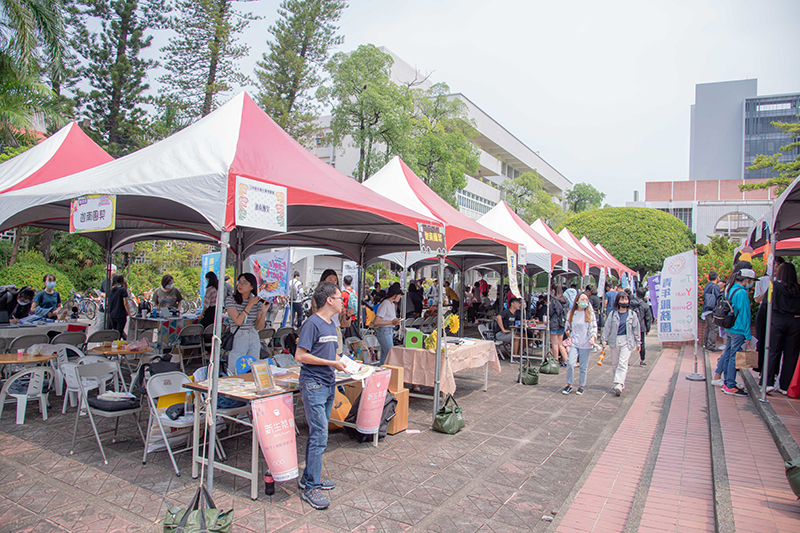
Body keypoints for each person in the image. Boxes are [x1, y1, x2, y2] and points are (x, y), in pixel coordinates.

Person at [294, 281, 348, 510]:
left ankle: (309, 477)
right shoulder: (312, 324)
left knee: (320, 432)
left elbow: (331, 353)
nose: (342, 302)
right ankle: (311, 487)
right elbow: (300, 355)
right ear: (329, 300)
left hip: (328, 384)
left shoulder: (330, 324)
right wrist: (331, 363)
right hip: (314, 385)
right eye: (339, 298)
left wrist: (345, 362)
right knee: (319, 435)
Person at [712, 268, 756, 396]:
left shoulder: (731, 289)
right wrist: (747, 334)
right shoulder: (741, 293)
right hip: (738, 329)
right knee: (733, 357)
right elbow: (745, 315)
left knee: (729, 354)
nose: (751, 283)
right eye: (751, 281)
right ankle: (730, 384)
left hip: (730, 328)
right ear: (747, 280)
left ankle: (727, 383)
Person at [766, 263, 800, 394]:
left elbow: (768, 304)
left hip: (777, 320)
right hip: (796, 321)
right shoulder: (798, 288)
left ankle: (768, 382)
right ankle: (785, 385)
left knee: (773, 351)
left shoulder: (774, 286)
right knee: (791, 354)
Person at [601, 291, 641, 396]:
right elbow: (607, 327)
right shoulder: (613, 314)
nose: (624, 301)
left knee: (623, 363)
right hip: (614, 340)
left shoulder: (632, 314)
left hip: (627, 341)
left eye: (626, 299)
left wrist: (638, 342)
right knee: (615, 363)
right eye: (622, 299)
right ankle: (619, 382)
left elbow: (636, 329)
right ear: (618, 300)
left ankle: (618, 383)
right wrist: (604, 340)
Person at [225, 273, 266, 372]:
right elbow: (238, 321)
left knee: (253, 366)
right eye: (239, 282)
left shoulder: (256, 302)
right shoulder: (230, 300)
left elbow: (259, 327)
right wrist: (250, 304)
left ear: (252, 286)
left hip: (253, 334)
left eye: (244, 283)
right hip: (239, 335)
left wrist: (264, 312)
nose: (240, 285)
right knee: (236, 368)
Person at [562, 292, 597, 395]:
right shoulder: (572, 313)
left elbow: (593, 327)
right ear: (577, 301)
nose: (584, 302)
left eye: (586, 300)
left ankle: (581, 385)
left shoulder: (590, 314)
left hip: (585, 343)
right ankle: (569, 384)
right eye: (582, 299)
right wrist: (567, 331)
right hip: (574, 342)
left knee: (583, 366)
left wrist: (593, 337)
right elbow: (567, 325)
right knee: (570, 363)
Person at [374, 283, 403, 364]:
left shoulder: (392, 304)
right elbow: (376, 322)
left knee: (385, 356)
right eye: (399, 295)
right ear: (394, 295)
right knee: (390, 354)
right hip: (384, 331)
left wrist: (395, 321)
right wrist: (392, 322)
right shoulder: (385, 304)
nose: (400, 297)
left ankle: (382, 371)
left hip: (389, 331)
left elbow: (389, 318)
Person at [630, 288, 652, 366]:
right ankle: (642, 360)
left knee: (629, 342)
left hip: (631, 326)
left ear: (636, 294)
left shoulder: (630, 304)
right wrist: (647, 329)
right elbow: (648, 318)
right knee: (642, 343)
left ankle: (626, 359)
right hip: (641, 327)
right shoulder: (645, 305)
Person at [549, 284, 569, 366]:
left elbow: (550, 312)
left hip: (554, 323)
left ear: (554, 290)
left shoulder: (553, 300)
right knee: (560, 344)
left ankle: (555, 361)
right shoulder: (565, 299)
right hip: (562, 323)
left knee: (554, 343)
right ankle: (567, 360)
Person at [702, 271, 722, 352]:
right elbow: (718, 298)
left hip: (706, 309)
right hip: (711, 309)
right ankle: (711, 345)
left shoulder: (707, 286)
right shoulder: (715, 286)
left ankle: (706, 344)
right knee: (713, 328)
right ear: (717, 277)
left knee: (708, 327)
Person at [107, 273, 130, 340]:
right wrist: (129, 313)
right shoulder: (122, 290)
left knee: (115, 332)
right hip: (121, 314)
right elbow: (125, 303)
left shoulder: (111, 290)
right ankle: (118, 345)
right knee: (119, 333)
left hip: (112, 314)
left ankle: (117, 343)